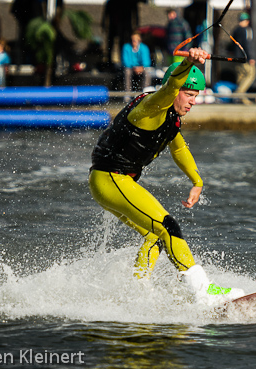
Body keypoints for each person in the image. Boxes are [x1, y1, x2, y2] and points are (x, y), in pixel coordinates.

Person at [89, 48, 244, 305]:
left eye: (196, 96)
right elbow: (171, 86)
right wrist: (189, 62)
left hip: (110, 182)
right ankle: (203, 291)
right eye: (190, 94)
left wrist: (197, 181)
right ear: (177, 91)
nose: (193, 101)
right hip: (110, 178)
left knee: (155, 235)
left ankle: (138, 291)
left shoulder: (170, 118)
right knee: (168, 227)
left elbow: (179, 147)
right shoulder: (151, 107)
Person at [231, 11, 256, 105]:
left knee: (240, 77)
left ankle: (240, 99)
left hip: (236, 58)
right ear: (247, 21)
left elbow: (232, 44)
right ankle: (239, 94)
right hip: (244, 58)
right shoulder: (247, 30)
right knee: (251, 74)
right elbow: (247, 44)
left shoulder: (235, 30)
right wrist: (251, 57)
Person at [121, 31, 152, 100]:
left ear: (139, 40)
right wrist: (134, 67)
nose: (134, 41)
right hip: (131, 67)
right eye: (133, 40)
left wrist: (142, 67)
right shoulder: (126, 47)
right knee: (127, 72)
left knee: (148, 71)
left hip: (141, 67)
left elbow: (146, 60)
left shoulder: (144, 48)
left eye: (136, 39)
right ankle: (127, 93)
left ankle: (145, 92)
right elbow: (125, 60)